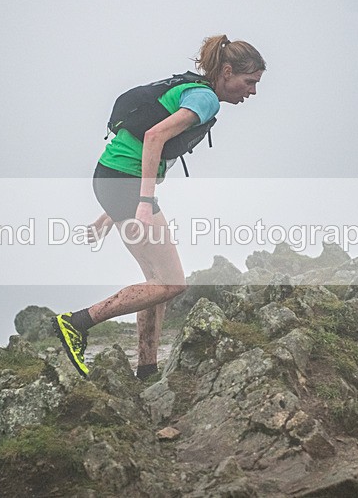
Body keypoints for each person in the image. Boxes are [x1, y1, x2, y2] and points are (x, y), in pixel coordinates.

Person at [52, 34, 266, 379]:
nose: (252, 91)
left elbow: (145, 149)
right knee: (171, 283)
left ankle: (147, 368)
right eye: (249, 81)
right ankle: (77, 322)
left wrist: (111, 213)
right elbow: (153, 138)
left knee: (157, 282)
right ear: (227, 72)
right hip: (126, 184)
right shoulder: (205, 99)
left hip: (115, 180)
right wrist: (144, 201)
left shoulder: (193, 90)